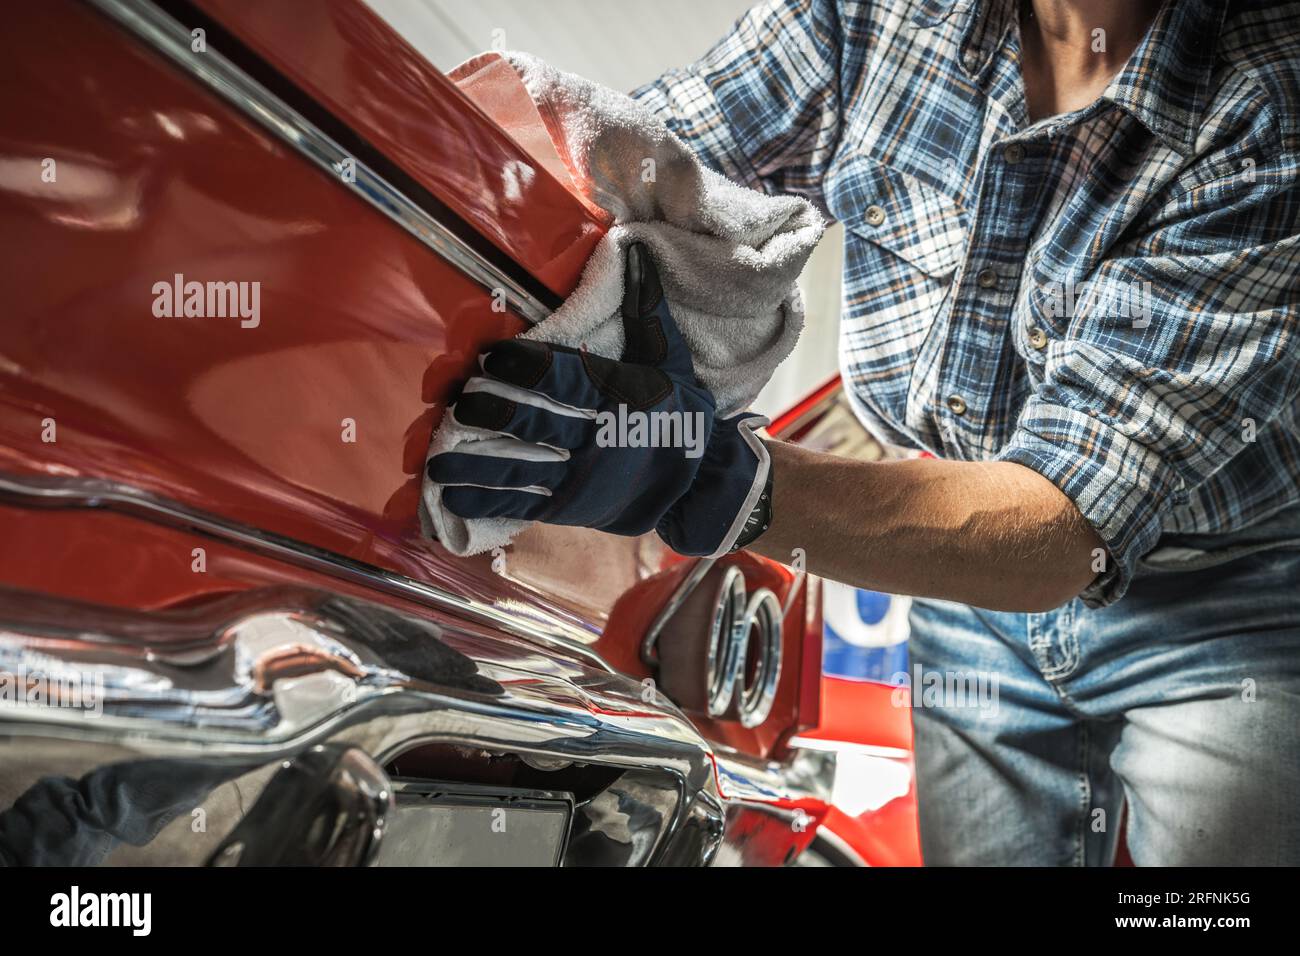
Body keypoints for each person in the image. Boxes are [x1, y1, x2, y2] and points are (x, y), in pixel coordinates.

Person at [430, 0, 1300, 865]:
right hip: (970, 601)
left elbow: (1065, 527)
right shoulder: (874, 16)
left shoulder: (1268, 111)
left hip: (1225, 612)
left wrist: (713, 479)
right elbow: (645, 172)